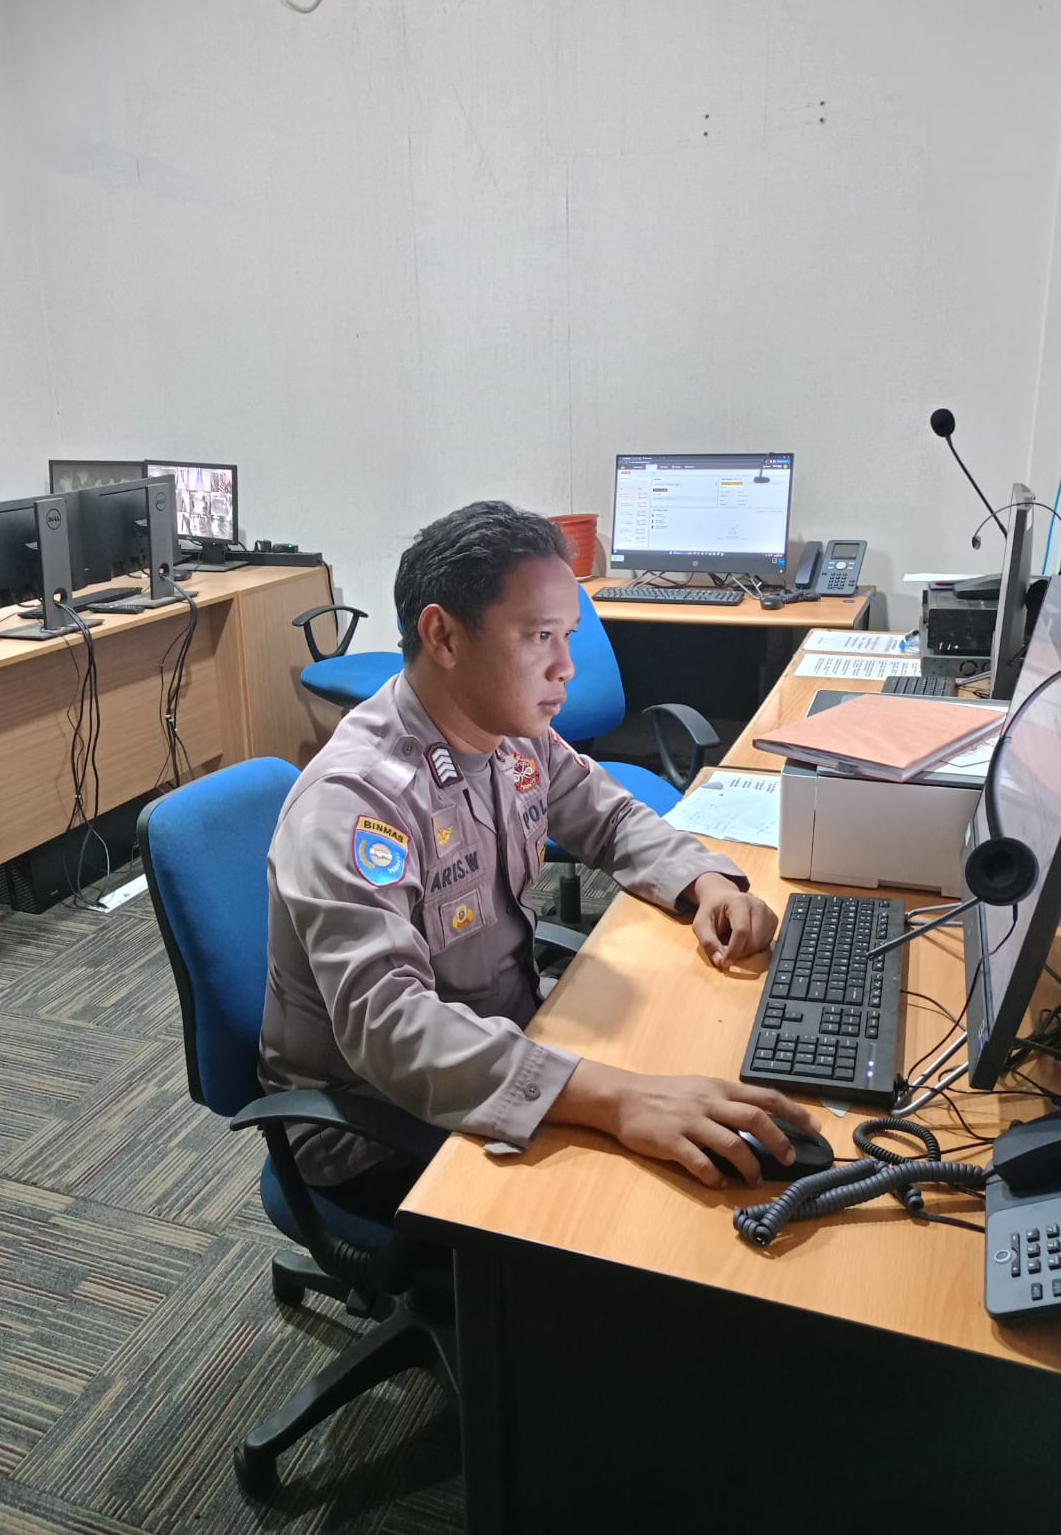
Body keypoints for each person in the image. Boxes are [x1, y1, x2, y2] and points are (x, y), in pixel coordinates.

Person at [259, 501, 815, 1213]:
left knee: (701, 1072)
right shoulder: (356, 804)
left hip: (510, 1038)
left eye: (568, 635)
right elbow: (391, 1029)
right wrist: (615, 1098)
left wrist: (706, 882)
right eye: (539, 636)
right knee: (652, 1207)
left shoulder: (509, 732)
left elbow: (610, 816)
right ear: (443, 637)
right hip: (376, 1123)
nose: (566, 668)